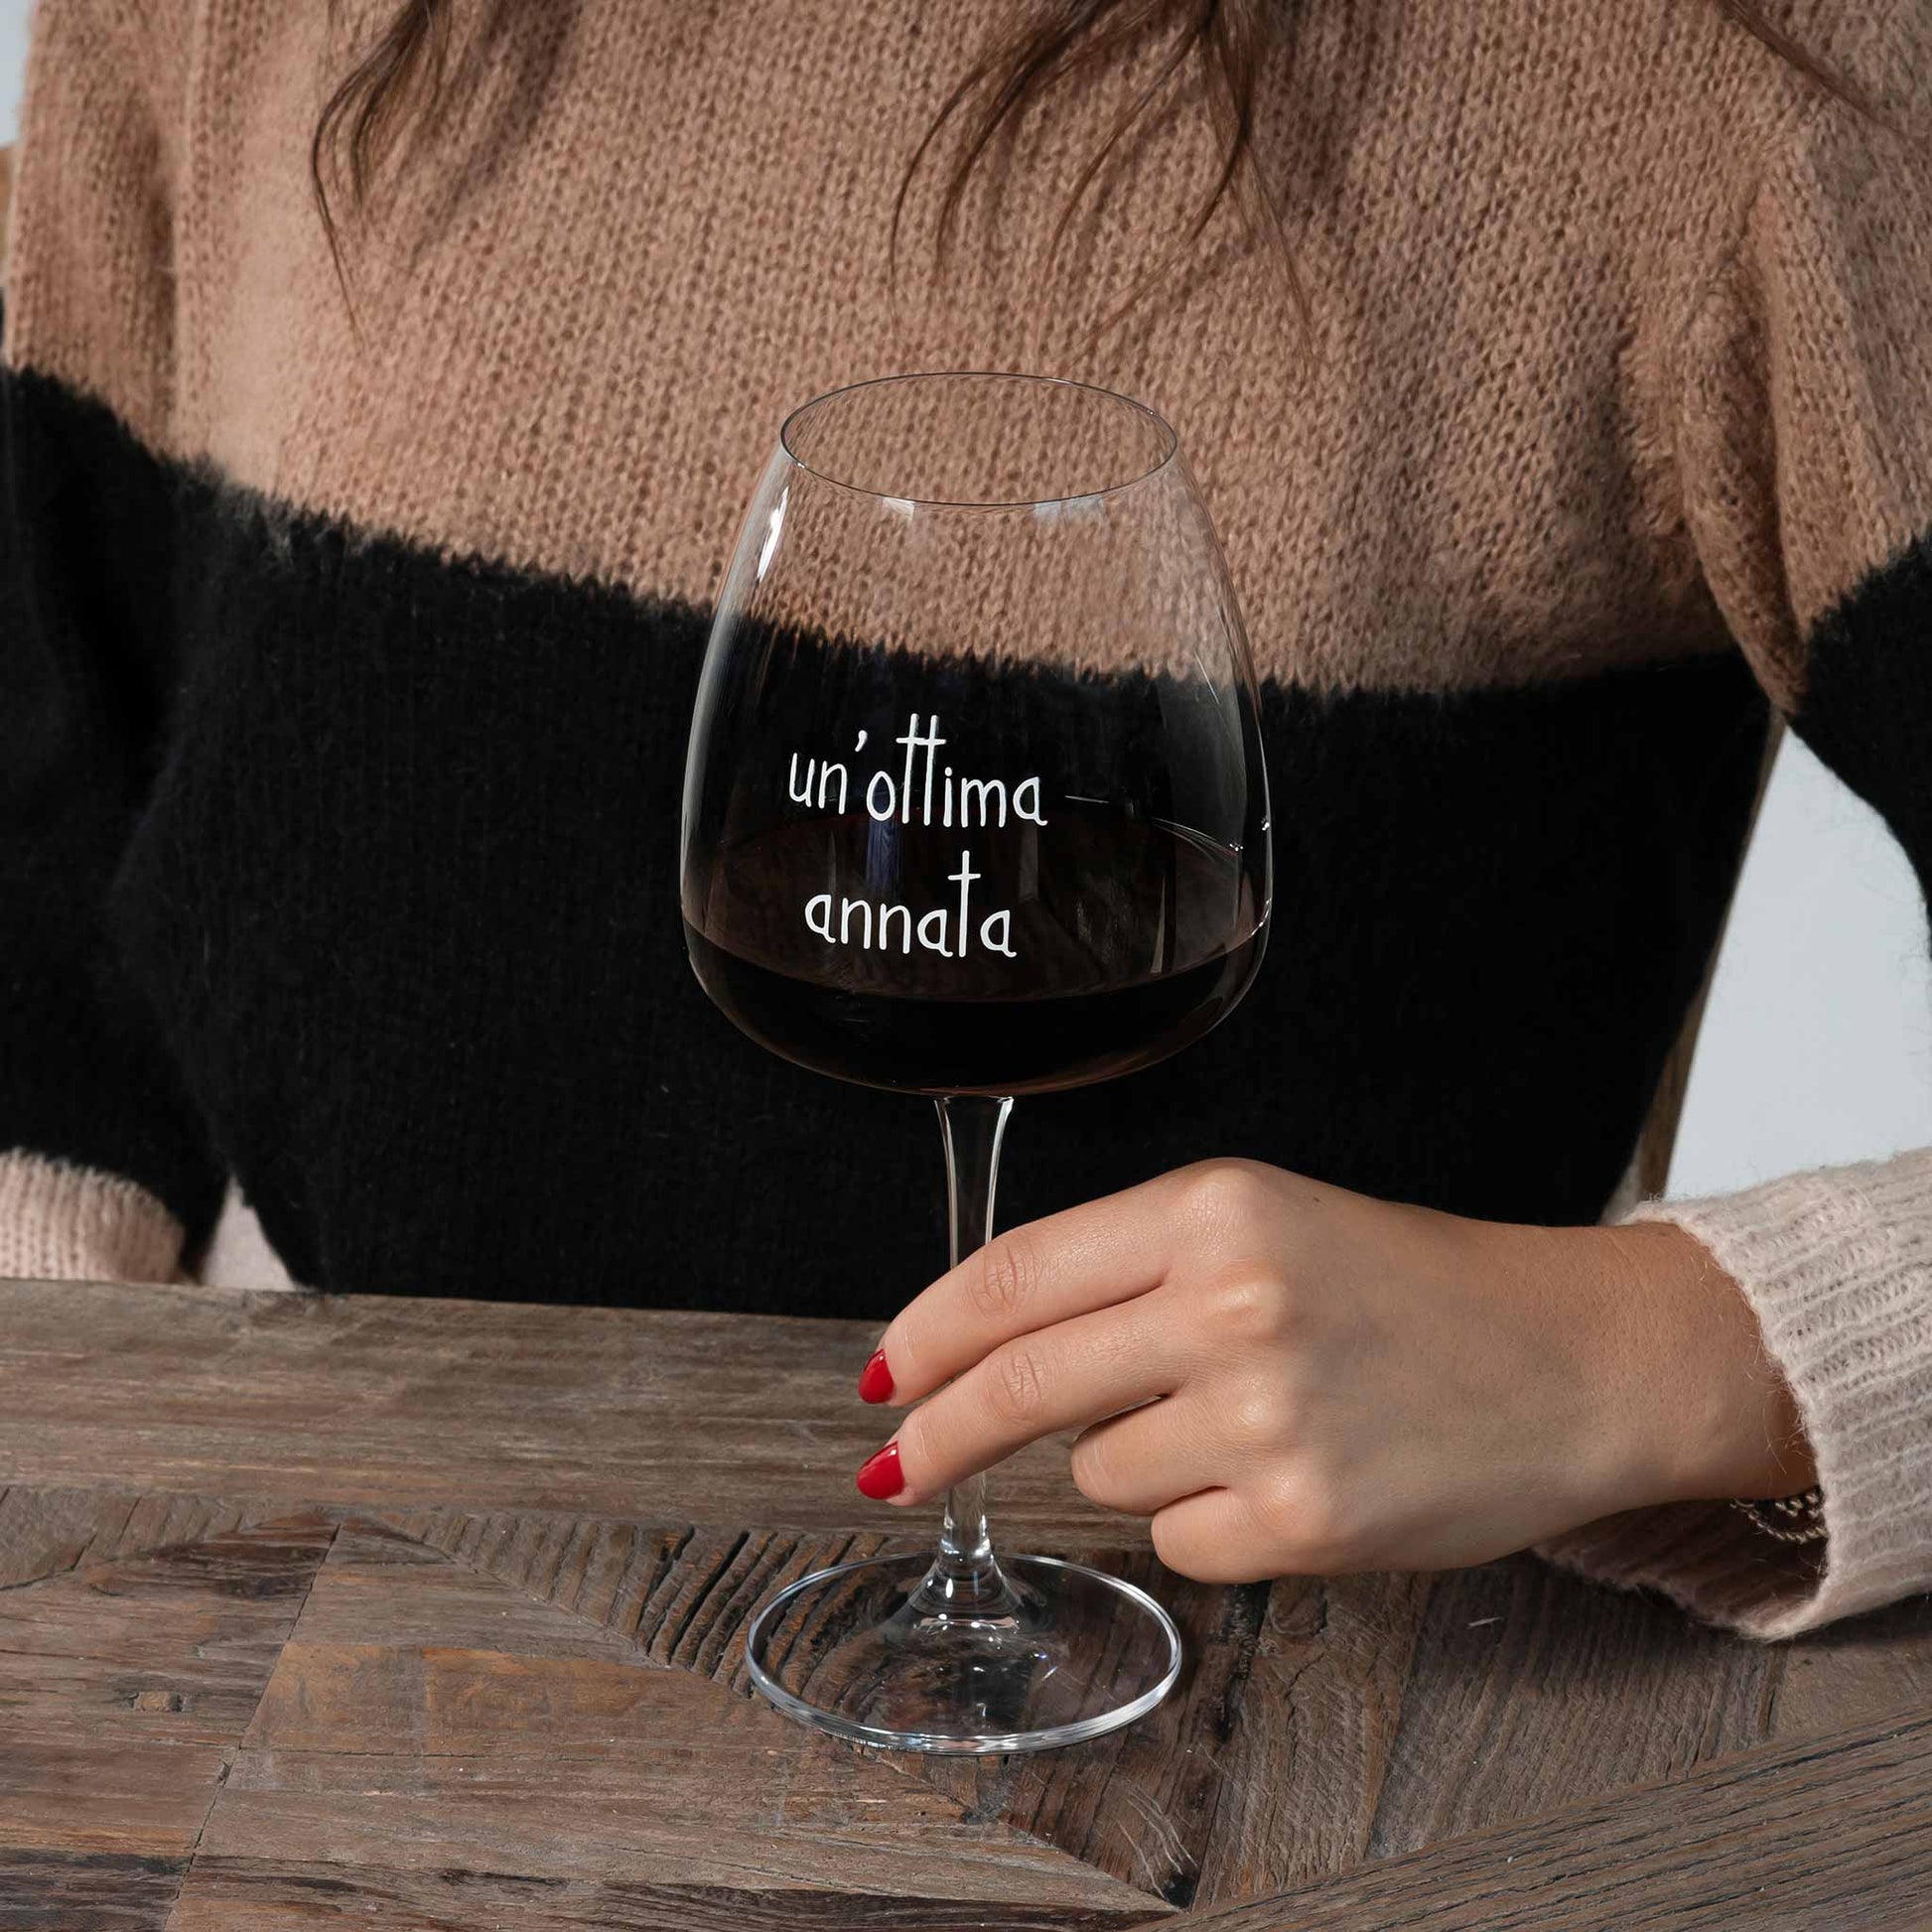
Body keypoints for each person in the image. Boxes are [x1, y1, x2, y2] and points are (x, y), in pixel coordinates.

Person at [2, 0, 1927, 1642]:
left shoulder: (1712, 64)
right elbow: (37, 889)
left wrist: (1651, 1359)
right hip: (345, 1644)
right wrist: (81, 1579)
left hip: (1299, 1727)